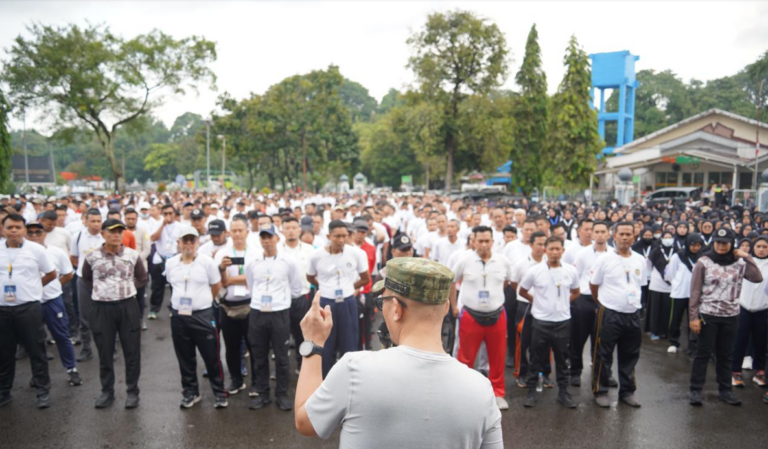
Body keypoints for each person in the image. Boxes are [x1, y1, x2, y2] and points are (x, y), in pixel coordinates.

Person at [294, 258, 503, 448]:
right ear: (446, 307)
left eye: (382, 302)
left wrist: (313, 343)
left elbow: (305, 421)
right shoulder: (482, 389)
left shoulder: (355, 369)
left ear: (396, 309)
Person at [689, 228, 762, 406]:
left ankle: (725, 391)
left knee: (726, 355)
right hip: (708, 315)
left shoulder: (739, 263)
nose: (721, 246)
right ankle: (696, 390)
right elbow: (695, 290)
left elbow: (757, 277)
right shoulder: (703, 262)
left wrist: (747, 256)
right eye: (718, 242)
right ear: (713, 242)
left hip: (731, 316)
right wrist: (693, 317)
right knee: (703, 354)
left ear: (732, 244)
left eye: (725, 243)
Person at [81, 218, 148, 409]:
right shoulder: (92, 256)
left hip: (128, 307)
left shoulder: (132, 255)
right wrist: (104, 290)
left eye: (120, 231)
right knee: (105, 351)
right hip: (102, 309)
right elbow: (86, 279)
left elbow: (142, 278)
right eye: (112, 231)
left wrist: (124, 288)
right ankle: (107, 391)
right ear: (103, 234)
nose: (117, 235)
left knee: (132, 351)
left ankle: (132, 391)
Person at [451, 226, 514, 410]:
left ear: (493, 242)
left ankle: (498, 393)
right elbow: (452, 281)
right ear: (473, 242)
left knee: (497, 356)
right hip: (470, 315)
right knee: (466, 358)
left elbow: (507, 282)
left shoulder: (503, 261)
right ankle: (464, 393)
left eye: (487, 240)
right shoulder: (464, 261)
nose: (484, 244)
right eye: (480, 241)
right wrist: (454, 306)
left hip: (496, 315)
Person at [165, 226, 227, 409]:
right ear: (179, 243)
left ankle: (219, 392)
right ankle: (191, 392)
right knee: (185, 357)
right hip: (179, 316)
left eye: (192, 240)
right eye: (185, 240)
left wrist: (205, 300)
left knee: (211, 356)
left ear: (198, 242)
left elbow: (216, 285)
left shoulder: (207, 262)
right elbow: (171, 283)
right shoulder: (171, 263)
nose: (189, 243)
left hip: (203, 314)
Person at [0, 214, 57, 409]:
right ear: (2, 229)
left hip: (28, 308)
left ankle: (42, 391)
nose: (14, 231)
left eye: (18, 227)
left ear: (24, 230)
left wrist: (34, 288)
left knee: (36, 350)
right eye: (10, 227)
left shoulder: (36, 250)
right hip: (3, 310)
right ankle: (4, 392)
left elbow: (51, 273)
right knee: (4, 353)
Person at [245, 225, 303, 411]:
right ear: (260, 240)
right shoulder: (252, 260)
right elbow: (251, 284)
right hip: (258, 312)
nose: (266, 241)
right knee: (259, 354)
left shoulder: (288, 261)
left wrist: (281, 300)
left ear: (277, 238)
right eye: (263, 237)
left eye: (269, 237)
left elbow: (295, 286)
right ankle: (262, 394)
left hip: (279, 312)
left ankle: (281, 394)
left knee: (281, 355)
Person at [589, 221, 646, 408]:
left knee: (630, 354)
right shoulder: (604, 260)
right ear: (614, 236)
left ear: (634, 237)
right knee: (603, 354)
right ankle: (601, 390)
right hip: (609, 313)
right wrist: (602, 303)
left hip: (632, 313)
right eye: (621, 234)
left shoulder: (640, 259)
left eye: (628, 234)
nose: (624, 238)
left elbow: (639, 285)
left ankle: (627, 391)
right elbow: (594, 284)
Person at [518, 236, 580, 408]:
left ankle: (563, 392)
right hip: (541, 321)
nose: (554, 252)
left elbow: (576, 291)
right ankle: (531, 391)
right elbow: (522, 290)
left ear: (563, 251)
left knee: (562, 359)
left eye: (557, 249)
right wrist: (536, 302)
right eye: (551, 249)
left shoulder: (570, 270)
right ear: (545, 250)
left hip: (562, 322)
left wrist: (564, 304)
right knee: (536, 357)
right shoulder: (535, 271)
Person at [306, 220, 371, 377]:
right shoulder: (316, 255)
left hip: (347, 303)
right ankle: (325, 380)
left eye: (344, 235)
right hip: (326, 303)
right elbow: (310, 277)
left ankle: (348, 380)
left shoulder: (356, 253)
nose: (341, 239)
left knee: (349, 344)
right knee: (325, 344)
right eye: (337, 236)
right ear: (329, 236)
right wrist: (325, 286)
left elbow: (365, 278)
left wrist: (349, 287)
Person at [24, 221, 82, 387]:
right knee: (34, 340)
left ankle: (72, 370)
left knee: (61, 336)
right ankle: (39, 375)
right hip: (30, 304)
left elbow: (68, 274)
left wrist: (54, 287)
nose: (34, 236)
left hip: (52, 301)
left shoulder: (57, 252)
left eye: (38, 232)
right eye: (30, 233)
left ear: (44, 234)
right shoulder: (21, 254)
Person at [215, 215, 256, 396]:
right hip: (228, 307)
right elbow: (220, 283)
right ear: (229, 232)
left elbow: (255, 277)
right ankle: (236, 380)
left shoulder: (255, 252)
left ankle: (257, 382)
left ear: (247, 232)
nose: (238, 234)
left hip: (251, 306)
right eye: (234, 230)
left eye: (241, 230)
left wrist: (230, 279)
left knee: (255, 347)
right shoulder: (221, 253)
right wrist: (223, 270)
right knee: (231, 347)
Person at [569, 221, 611, 387]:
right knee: (578, 339)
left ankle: (602, 373)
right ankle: (575, 372)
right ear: (592, 234)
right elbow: (575, 277)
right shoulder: (583, 254)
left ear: (608, 233)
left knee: (602, 340)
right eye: (597, 231)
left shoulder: (613, 253)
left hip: (605, 301)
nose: (600, 235)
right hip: (585, 300)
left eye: (603, 231)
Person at [732, 235, 768, 388]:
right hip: (743, 307)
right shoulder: (743, 262)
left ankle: (759, 372)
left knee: (761, 342)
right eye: (758, 246)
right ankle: (735, 372)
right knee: (740, 341)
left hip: (763, 309)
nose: (761, 249)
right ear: (753, 247)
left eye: (765, 247)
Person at [280, 216, 315, 371]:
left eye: (294, 227)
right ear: (282, 230)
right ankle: (281, 368)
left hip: (303, 297)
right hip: (281, 298)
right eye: (287, 228)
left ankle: (302, 365)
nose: (291, 231)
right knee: (281, 335)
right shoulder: (277, 250)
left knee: (303, 334)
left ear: (299, 229)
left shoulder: (309, 250)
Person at [70, 208, 105, 362]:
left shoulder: (106, 236)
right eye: (93, 221)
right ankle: (86, 348)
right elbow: (74, 257)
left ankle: (109, 349)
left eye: (99, 221)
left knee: (106, 315)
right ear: (86, 221)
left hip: (104, 281)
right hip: (83, 281)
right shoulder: (77, 236)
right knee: (84, 316)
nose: (96, 225)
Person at [665, 233, 702, 355]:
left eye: (698, 245)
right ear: (688, 244)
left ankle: (693, 345)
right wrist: (677, 284)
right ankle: (674, 342)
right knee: (675, 319)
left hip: (695, 295)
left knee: (694, 319)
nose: (695, 248)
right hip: (679, 293)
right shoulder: (678, 256)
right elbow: (670, 273)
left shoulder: (702, 257)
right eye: (693, 245)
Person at [148, 204, 179, 320]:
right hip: (159, 259)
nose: (168, 216)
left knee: (174, 286)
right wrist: (163, 224)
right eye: (165, 213)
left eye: (170, 213)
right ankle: (154, 309)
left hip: (174, 259)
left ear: (175, 214)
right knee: (157, 286)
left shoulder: (180, 226)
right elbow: (153, 238)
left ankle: (173, 308)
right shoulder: (157, 224)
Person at [124, 207, 151, 330]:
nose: (130, 221)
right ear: (124, 218)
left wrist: (136, 260)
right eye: (128, 218)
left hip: (139, 268)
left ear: (137, 219)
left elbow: (147, 249)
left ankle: (140, 321)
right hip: (123, 269)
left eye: (133, 219)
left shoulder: (142, 231)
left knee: (140, 297)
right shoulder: (120, 232)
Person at [647, 231, 675, 340]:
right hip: (657, 284)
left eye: (670, 237)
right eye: (665, 237)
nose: (667, 239)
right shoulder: (656, 251)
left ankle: (666, 332)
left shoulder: (677, 251)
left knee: (667, 310)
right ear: (662, 239)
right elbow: (648, 266)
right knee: (655, 310)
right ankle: (654, 331)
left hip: (671, 286)